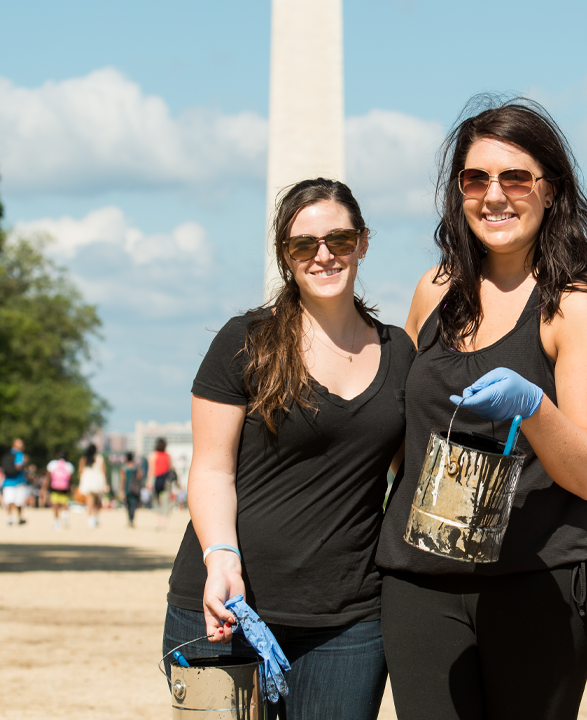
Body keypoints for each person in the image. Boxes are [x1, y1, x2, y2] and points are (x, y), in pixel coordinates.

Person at [376, 97, 587, 720]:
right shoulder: (432, 290)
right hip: (419, 578)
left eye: (516, 177)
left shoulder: (575, 307)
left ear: (551, 191)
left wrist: (534, 406)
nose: (494, 195)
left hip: (537, 581)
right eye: (475, 178)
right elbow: (396, 435)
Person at [163, 177, 414, 720]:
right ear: (285, 256)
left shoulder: (401, 353)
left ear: (363, 242)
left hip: (348, 621)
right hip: (224, 605)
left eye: (340, 240)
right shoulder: (243, 340)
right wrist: (220, 559)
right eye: (304, 245)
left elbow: (408, 473)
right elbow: (210, 470)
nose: (323, 255)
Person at [77, 444, 108, 528]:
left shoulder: (83, 459)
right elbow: (104, 471)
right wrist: (106, 483)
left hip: (87, 481)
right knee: (97, 500)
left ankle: (91, 520)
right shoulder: (99, 458)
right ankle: (96, 517)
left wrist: (80, 480)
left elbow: (80, 471)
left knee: (89, 501)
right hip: (98, 481)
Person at [148, 438, 174, 531]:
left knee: (156, 501)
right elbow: (171, 468)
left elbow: (151, 470)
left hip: (156, 479)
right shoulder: (168, 456)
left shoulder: (152, 455)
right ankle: (164, 524)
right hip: (166, 480)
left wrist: (148, 482)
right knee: (166, 501)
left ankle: (157, 523)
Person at [45, 452, 75, 530]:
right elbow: (71, 479)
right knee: (64, 505)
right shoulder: (69, 466)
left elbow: (48, 477)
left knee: (55, 506)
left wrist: (45, 488)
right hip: (64, 489)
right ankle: (65, 519)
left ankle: (57, 522)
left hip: (54, 488)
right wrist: (70, 490)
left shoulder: (53, 464)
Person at [2, 439, 29, 526]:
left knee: (9, 501)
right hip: (18, 481)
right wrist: (25, 461)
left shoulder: (8, 454)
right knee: (19, 502)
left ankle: (9, 518)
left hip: (7, 481)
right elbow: (18, 466)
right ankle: (20, 518)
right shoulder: (20, 455)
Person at [121, 452, 143, 528]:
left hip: (127, 489)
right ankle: (132, 520)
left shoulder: (124, 467)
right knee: (133, 504)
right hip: (135, 489)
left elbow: (122, 480)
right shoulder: (135, 467)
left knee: (128, 505)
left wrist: (121, 490)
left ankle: (129, 520)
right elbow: (140, 476)